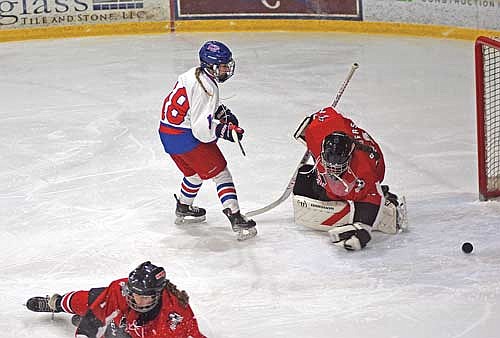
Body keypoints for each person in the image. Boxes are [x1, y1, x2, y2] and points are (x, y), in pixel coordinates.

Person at [158, 40, 257, 241]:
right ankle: (236, 217)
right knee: (221, 173)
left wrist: (219, 112)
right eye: (223, 66)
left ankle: (184, 206)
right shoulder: (208, 88)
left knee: (194, 173)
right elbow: (202, 131)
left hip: (167, 134)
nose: (227, 69)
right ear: (211, 66)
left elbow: (194, 105)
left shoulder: (192, 74)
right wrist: (225, 130)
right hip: (186, 138)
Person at [292, 106, 407, 251]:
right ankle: (350, 200)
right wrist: (310, 125)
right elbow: (327, 114)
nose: (333, 168)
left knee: (352, 193)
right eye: (329, 162)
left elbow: (372, 196)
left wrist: (362, 228)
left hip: (373, 170)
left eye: (338, 164)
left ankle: (383, 202)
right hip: (346, 146)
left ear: (349, 155)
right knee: (303, 178)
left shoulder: (362, 170)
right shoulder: (316, 133)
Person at [26, 261, 206, 338]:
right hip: (123, 319)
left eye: (144, 297)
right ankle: (56, 303)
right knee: (88, 299)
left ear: (158, 295)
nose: (136, 299)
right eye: (134, 292)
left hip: (132, 333)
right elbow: (94, 320)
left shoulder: (176, 315)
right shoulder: (120, 290)